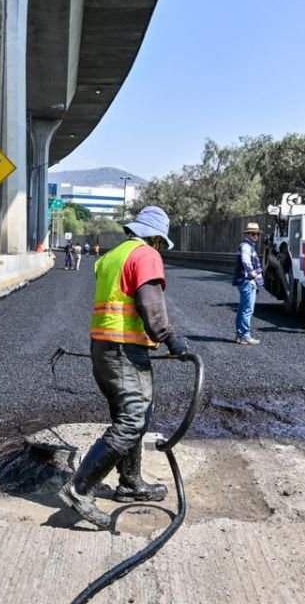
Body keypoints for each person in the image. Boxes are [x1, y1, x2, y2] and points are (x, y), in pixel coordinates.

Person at [58, 206, 190, 530]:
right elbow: (150, 304)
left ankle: (130, 484)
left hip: (105, 348)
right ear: (156, 237)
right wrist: (170, 338)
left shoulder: (113, 256)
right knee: (132, 419)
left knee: (135, 415)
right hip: (122, 350)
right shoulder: (145, 255)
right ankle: (79, 489)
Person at [233, 222, 264, 345]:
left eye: (257, 234)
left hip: (243, 280)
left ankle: (239, 335)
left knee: (242, 309)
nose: (255, 236)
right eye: (253, 233)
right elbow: (245, 260)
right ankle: (245, 335)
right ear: (248, 234)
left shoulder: (247, 245)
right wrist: (251, 272)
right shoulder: (246, 246)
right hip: (247, 281)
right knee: (247, 310)